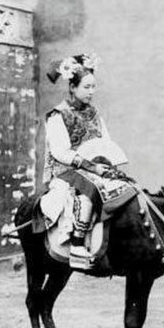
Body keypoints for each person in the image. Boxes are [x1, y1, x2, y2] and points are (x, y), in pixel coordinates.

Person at [43, 53, 128, 269]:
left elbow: (105, 143)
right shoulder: (57, 115)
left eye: (93, 87)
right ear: (72, 87)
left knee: (124, 186)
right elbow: (60, 152)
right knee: (89, 190)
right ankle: (77, 244)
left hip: (94, 169)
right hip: (66, 171)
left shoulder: (94, 114)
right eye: (86, 87)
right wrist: (90, 166)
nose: (92, 92)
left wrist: (108, 168)